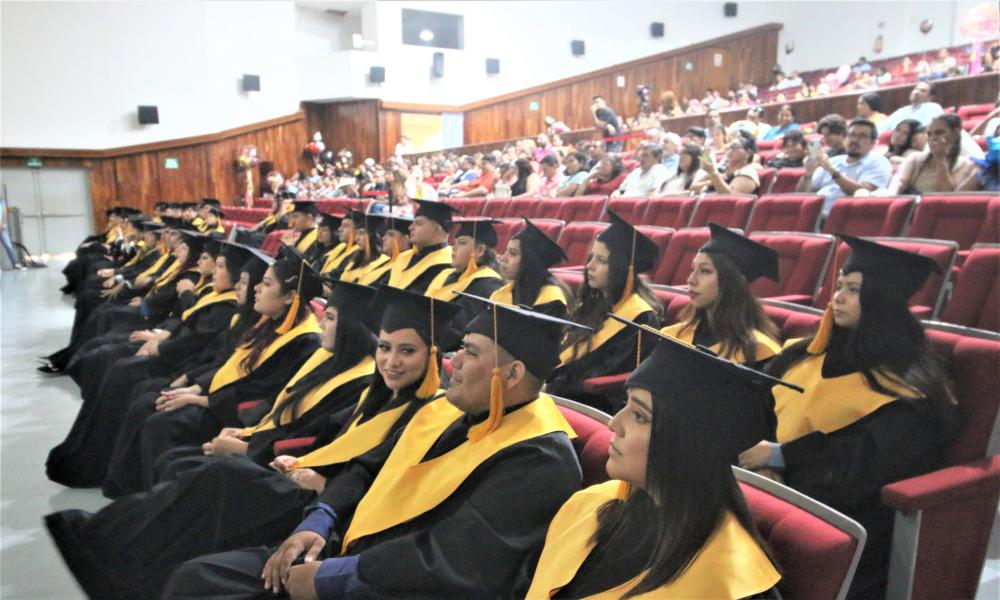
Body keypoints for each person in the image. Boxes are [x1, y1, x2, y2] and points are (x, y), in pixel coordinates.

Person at [44, 285, 460, 599]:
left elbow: (378, 476)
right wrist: (276, 451)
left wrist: (306, 475)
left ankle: (104, 546)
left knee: (223, 476)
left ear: (433, 355)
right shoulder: (379, 391)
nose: (390, 360)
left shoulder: (430, 413)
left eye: (407, 351)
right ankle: (120, 554)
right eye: (385, 347)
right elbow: (323, 431)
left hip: (328, 515)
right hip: (302, 484)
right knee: (196, 468)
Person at [161, 299, 585, 599]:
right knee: (198, 575)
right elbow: (364, 470)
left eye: (469, 352)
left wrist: (332, 578)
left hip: (393, 586)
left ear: (511, 374)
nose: (452, 362)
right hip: (346, 552)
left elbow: (451, 559)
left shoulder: (540, 459)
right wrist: (317, 522)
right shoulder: (449, 412)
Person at [739, 235, 960, 598]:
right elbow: (759, 407)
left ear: (882, 299)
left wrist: (780, 459)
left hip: (844, 519)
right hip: (774, 489)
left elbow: (860, 469)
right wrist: (761, 464)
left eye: (853, 289)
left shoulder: (910, 391)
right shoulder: (805, 356)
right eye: (839, 285)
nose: (837, 297)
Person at [524, 323, 788, 599]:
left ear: (688, 443)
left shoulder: (731, 582)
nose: (615, 423)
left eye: (640, 416)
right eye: (624, 404)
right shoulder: (590, 505)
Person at [547, 210, 662, 413]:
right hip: (564, 393)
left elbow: (605, 374)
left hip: (595, 404)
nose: (589, 266)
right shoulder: (596, 303)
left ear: (622, 268)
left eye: (601, 260)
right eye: (591, 258)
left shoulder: (640, 319)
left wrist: (553, 385)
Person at [662, 223, 782, 365]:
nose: (691, 280)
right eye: (692, 269)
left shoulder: (758, 352)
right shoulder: (674, 335)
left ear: (734, 282)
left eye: (705, 271)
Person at [426, 219, 504, 351]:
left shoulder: (487, 285)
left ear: (479, 250)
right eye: (454, 243)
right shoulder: (445, 275)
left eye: (461, 243)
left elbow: (458, 331)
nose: (453, 248)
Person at [796, 118, 892, 215]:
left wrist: (832, 170)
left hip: (843, 217)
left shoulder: (878, 162)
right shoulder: (834, 160)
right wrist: (808, 174)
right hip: (814, 214)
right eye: (852, 135)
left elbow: (863, 194)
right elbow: (801, 196)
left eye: (862, 136)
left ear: (873, 143)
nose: (854, 140)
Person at [491, 218, 572, 318]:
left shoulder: (551, 299)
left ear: (530, 261)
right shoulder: (502, 294)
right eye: (505, 251)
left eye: (513, 253)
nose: (503, 258)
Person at [889, 113, 980, 194]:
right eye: (930, 134)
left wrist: (940, 159)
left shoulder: (968, 165)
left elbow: (946, 197)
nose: (933, 138)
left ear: (955, 134)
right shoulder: (915, 159)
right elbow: (898, 182)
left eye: (939, 133)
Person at [387, 199, 453, 293]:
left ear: (437, 228)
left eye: (418, 223)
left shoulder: (446, 263)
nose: (410, 228)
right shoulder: (404, 257)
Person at [692, 131, 761, 195]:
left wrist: (713, 174)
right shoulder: (722, 170)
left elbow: (730, 197)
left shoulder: (748, 172)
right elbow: (693, 187)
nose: (729, 151)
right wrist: (710, 182)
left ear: (748, 153)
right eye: (728, 148)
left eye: (734, 147)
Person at [878, 81, 943, 134]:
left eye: (922, 91)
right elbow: (882, 128)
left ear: (930, 97)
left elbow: (926, 129)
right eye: (916, 89)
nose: (916, 92)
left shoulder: (933, 108)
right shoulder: (902, 110)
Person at [1, 194, 25, 270]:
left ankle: (15, 263)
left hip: (2, 228)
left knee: (8, 245)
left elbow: (5, 213)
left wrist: (3, 224)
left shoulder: (1, 201)